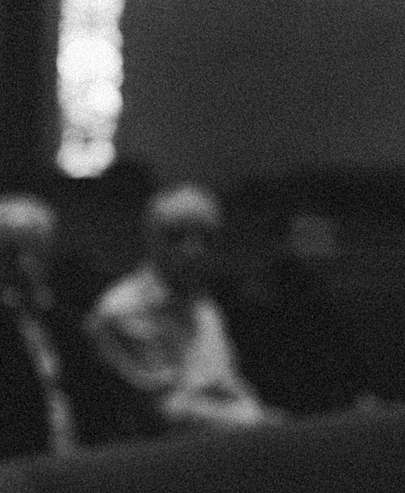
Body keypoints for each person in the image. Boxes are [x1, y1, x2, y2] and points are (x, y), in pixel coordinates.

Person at [0, 193, 138, 473]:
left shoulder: (66, 324)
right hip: (15, 474)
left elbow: (100, 404)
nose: (24, 265)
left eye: (35, 251)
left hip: (79, 464)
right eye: (11, 254)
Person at [87, 182, 274, 432]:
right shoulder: (124, 309)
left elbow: (227, 384)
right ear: (152, 240)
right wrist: (256, 422)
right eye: (177, 237)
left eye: (206, 239)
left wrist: (260, 415)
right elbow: (166, 409)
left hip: (223, 443)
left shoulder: (204, 305)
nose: (193, 251)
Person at [228, 209, 375, 417]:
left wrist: (359, 394)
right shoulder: (259, 296)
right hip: (284, 409)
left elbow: (343, 351)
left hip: (331, 404)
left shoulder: (322, 293)